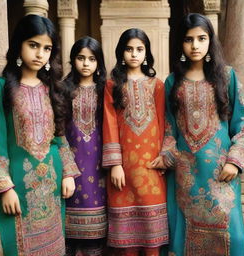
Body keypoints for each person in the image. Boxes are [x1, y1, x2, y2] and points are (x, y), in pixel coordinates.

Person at [0, 14, 80, 256]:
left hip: (52, 182)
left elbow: (59, 136)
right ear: (19, 44)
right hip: (18, 185)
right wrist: (5, 188)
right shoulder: (0, 87)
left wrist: (68, 173)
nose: (40, 54)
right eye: (33, 45)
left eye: (47, 48)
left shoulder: (52, 89)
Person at [160, 13, 244, 255]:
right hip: (185, 175)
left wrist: (235, 161)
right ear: (181, 43)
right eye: (189, 40)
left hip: (221, 174)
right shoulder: (172, 82)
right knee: (185, 237)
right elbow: (169, 128)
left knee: (234, 237)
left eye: (201, 38)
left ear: (210, 41)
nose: (195, 45)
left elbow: (243, 124)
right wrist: (166, 155)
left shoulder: (226, 76)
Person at [102, 28, 168, 256]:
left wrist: (164, 156)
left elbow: (163, 122)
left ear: (147, 53)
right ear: (121, 52)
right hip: (123, 170)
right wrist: (115, 164)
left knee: (153, 237)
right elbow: (109, 124)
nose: (134, 54)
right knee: (126, 245)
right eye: (129, 49)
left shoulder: (157, 85)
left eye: (140, 49)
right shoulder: (112, 85)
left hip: (152, 166)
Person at [63, 36, 107, 256]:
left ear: (99, 62)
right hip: (70, 166)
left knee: (97, 240)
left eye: (92, 58)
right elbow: (57, 132)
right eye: (81, 58)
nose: (86, 63)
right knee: (68, 239)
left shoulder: (106, 90)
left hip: (100, 166)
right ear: (73, 60)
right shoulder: (62, 90)